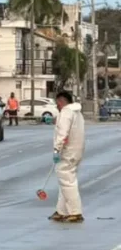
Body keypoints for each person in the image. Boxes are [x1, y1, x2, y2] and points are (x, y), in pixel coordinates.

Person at [51, 90, 85, 223]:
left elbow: (62, 133)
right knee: (65, 181)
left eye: (57, 104)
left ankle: (75, 212)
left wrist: (56, 149)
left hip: (68, 151)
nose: (57, 107)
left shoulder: (66, 112)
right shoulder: (77, 112)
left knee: (67, 181)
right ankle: (62, 211)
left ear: (61, 101)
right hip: (76, 150)